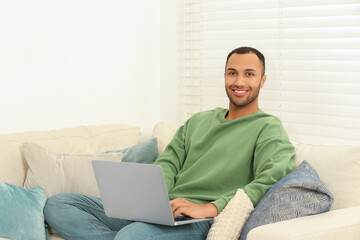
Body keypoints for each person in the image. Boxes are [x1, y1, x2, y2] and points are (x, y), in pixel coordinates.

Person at [44, 46, 296, 240]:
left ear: (262, 80)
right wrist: (152, 202)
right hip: (164, 209)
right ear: (225, 76)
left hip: (198, 220)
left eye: (249, 74)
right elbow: (168, 162)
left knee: (132, 237)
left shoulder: (268, 127)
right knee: (59, 205)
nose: (239, 82)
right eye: (233, 73)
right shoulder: (198, 121)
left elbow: (271, 178)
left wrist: (210, 207)